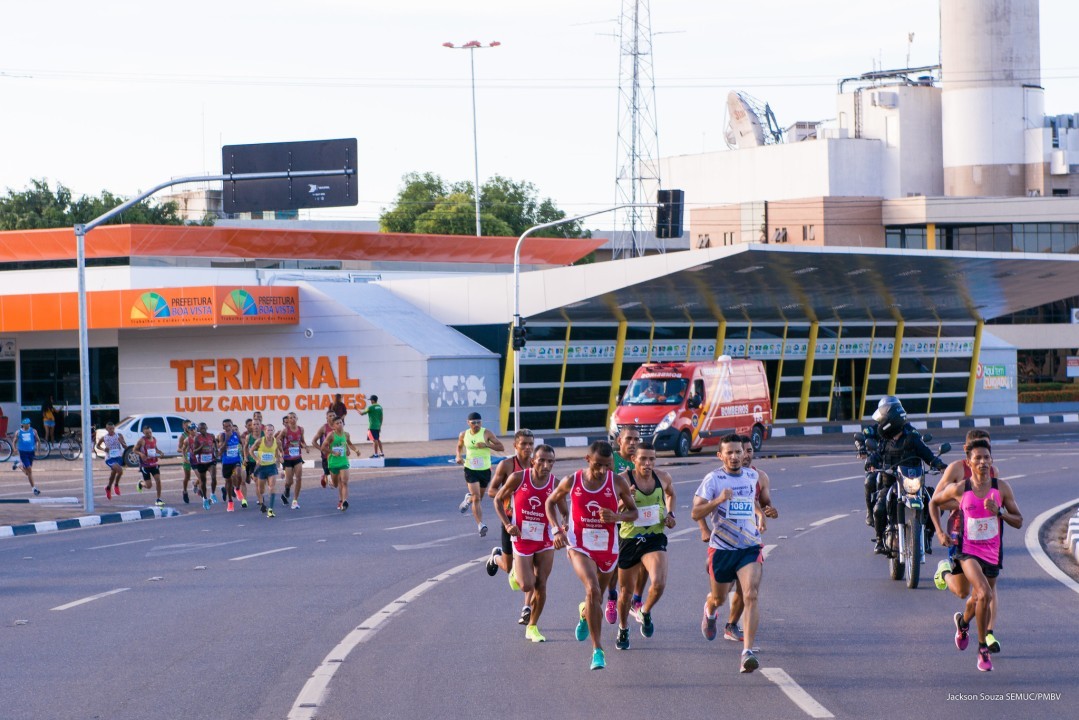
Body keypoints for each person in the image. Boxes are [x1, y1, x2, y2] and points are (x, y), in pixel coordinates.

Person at [929, 439, 1022, 672]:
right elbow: (934, 502)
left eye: (986, 458)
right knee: (984, 593)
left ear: (992, 461)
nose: (982, 462)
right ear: (969, 462)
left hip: (992, 552)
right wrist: (939, 532)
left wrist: (999, 512)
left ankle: (962, 623)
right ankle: (982, 649)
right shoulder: (962, 489)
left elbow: (1019, 521)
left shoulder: (1001, 488)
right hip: (967, 550)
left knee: (978, 599)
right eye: (977, 458)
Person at [545, 440, 638, 671]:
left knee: (595, 598)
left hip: (607, 547)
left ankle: (585, 614)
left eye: (607, 466)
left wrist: (616, 518)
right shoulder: (572, 480)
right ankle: (598, 651)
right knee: (593, 589)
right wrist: (556, 529)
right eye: (598, 465)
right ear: (588, 460)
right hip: (578, 544)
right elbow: (550, 501)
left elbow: (634, 512)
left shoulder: (617, 482)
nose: (602, 471)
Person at [692, 434, 778, 674]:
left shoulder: (752, 476)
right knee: (719, 598)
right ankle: (710, 610)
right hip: (722, 548)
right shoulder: (713, 479)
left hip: (749, 546)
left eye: (738, 452)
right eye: (729, 452)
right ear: (720, 456)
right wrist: (718, 500)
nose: (734, 456)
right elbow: (695, 511)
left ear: (744, 453)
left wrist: (762, 513)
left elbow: (751, 502)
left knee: (750, 594)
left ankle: (747, 652)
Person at [931, 429, 1001, 648]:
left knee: (988, 589)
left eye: (987, 452)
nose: (983, 459)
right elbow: (937, 501)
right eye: (978, 453)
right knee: (963, 592)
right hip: (960, 534)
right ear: (967, 451)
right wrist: (966, 504)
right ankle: (944, 571)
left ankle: (988, 633)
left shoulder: (993, 472)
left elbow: (998, 501)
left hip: (987, 539)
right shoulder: (955, 470)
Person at [495, 444, 566, 643]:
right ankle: (514, 571)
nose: (546, 465)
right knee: (527, 585)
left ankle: (532, 626)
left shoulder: (556, 484)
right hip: (522, 538)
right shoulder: (519, 478)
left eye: (550, 461)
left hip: (544, 540)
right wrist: (508, 525)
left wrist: (564, 525)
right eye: (542, 460)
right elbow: (498, 500)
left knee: (541, 584)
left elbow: (565, 511)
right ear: (533, 460)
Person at [858, 396, 945, 554]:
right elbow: (877, 454)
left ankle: (928, 535)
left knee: (936, 502)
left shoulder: (912, 438)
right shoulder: (885, 441)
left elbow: (928, 455)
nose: (880, 424)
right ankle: (879, 541)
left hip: (913, 483)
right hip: (891, 483)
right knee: (879, 508)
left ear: (889, 421)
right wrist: (870, 462)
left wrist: (939, 465)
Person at [614, 440, 676, 650]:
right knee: (625, 593)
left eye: (652, 459)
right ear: (633, 460)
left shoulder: (663, 477)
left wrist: (670, 513)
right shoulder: (622, 480)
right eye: (643, 459)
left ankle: (645, 611)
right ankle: (623, 628)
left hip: (654, 537)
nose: (648, 463)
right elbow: (612, 510)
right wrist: (625, 500)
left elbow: (671, 494)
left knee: (658, 583)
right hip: (630, 539)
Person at [725, 434, 779, 643]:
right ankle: (711, 607)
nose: (745, 455)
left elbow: (766, 504)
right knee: (723, 589)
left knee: (748, 589)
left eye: (748, 451)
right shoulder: (721, 477)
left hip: (750, 541)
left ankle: (731, 625)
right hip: (725, 540)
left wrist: (769, 511)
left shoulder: (761, 477)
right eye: (741, 450)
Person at [485, 428, 536, 625]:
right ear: (515, 446)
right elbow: (491, 491)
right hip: (510, 522)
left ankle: (527, 608)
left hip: (532, 522)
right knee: (508, 567)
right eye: (523, 444)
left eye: (531, 444)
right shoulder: (507, 465)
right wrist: (511, 494)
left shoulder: (537, 464)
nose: (528, 448)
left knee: (531, 568)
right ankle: (496, 557)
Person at [605, 425, 641, 623]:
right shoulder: (612, 459)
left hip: (636, 518)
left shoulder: (642, 459)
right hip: (615, 517)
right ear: (620, 441)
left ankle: (636, 600)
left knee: (641, 561)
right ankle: (611, 596)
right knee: (615, 563)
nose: (633, 443)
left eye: (636, 439)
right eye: (629, 439)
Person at [455, 412, 505, 537]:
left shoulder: (486, 433)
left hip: (484, 470)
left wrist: (486, 444)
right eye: (473, 423)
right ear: (468, 423)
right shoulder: (463, 434)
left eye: (478, 422)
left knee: (479, 498)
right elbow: (459, 445)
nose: (476, 425)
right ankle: (480, 525)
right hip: (470, 469)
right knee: (476, 497)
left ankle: (468, 498)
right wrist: (458, 455)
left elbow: (501, 447)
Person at [320, 416, 360, 511]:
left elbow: (349, 443)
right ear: (333, 426)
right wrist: (333, 452)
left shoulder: (346, 434)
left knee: (344, 482)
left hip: (343, 461)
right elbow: (322, 447)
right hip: (333, 462)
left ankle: (344, 501)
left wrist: (356, 450)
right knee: (335, 484)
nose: (339, 424)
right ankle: (327, 479)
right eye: (337, 423)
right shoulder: (331, 435)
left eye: (341, 422)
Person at [279, 412, 307, 509]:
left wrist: (305, 446)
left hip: (297, 457)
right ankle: (286, 490)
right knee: (289, 481)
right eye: (290, 418)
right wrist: (280, 453)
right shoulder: (285, 431)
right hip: (287, 458)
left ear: (297, 418)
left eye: (294, 417)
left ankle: (295, 501)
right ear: (288, 419)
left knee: (299, 478)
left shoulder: (301, 429)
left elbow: (302, 441)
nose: (292, 419)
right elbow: (277, 441)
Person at [218, 419, 247, 512]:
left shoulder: (236, 434)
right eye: (225, 426)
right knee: (228, 483)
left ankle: (237, 489)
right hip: (226, 462)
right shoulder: (222, 436)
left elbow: (242, 444)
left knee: (238, 474)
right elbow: (220, 450)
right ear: (223, 427)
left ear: (232, 426)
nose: (227, 428)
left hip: (236, 460)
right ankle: (230, 501)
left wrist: (243, 453)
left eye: (229, 426)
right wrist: (226, 439)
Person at [254, 422, 282, 517]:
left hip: (271, 467)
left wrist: (279, 458)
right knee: (261, 489)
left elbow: (277, 451)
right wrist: (257, 459)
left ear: (273, 431)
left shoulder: (277, 441)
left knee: (271, 486)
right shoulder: (259, 441)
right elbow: (250, 451)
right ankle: (262, 501)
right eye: (268, 430)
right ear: (264, 431)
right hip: (261, 468)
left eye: (271, 430)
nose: (270, 432)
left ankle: (270, 509)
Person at [133, 424, 165, 507]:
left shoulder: (154, 439)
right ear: (143, 433)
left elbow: (155, 449)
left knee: (158, 480)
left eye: (150, 432)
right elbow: (134, 450)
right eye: (146, 433)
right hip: (145, 465)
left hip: (154, 463)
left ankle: (158, 499)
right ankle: (141, 484)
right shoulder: (141, 440)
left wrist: (160, 452)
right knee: (149, 486)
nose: (149, 434)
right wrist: (141, 454)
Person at [96, 421, 128, 500]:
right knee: (120, 471)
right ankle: (116, 485)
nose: (112, 430)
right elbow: (97, 446)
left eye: (113, 428)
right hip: (110, 458)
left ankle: (108, 487)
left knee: (113, 474)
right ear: (107, 429)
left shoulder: (119, 435)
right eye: (110, 429)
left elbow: (125, 447)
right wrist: (104, 449)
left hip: (118, 457)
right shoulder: (104, 438)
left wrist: (122, 442)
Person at [190, 422, 218, 510]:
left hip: (211, 461)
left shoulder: (211, 436)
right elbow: (194, 452)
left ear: (206, 428)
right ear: (198, 429)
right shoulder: (197, 438)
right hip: (201, 462)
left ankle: (212, 494)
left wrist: (216, 451)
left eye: (204, 428)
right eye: (201, 429)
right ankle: (205, 498)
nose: (203, 430)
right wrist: (201, 447)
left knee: (214, 477)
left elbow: (215, 445)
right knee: (203, 481)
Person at [14, 418, 41, 495]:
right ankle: (34, 489)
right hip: (23, 453)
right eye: (26, 424)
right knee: (29, 470)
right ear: (22, 425)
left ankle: (18, 465)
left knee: (28, 473)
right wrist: (15, 449)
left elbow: (38, 440)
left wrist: (38, 450)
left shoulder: (33, 431)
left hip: (31, 452)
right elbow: (14, 441)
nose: (28, 425)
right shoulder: (18, 432)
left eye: (29, 423)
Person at [313, 410, 337, 489]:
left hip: (336, 454)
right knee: (332, 484)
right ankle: (325, 476)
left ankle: (325, 476)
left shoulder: (338, 426)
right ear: (326, 418)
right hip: (326, 455)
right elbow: (313, 442)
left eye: (334, 415)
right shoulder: (324, 428)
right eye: (330, 416)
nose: (332, 417)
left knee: (337, 476)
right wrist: (321, 449)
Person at [178, 421, 197, 503]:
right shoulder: (183, 436)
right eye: (186, 426)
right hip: (187, 459)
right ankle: (185, 491)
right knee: (187, 477)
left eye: (188, 426)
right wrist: (184, 451)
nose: (187, 428)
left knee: (201, 474)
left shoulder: (196, 435)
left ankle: (195, 484)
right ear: (183, 427)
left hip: (196, 458)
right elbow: (178, 448)